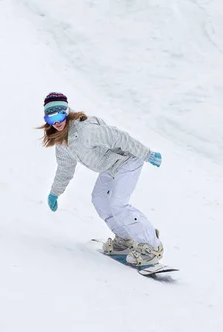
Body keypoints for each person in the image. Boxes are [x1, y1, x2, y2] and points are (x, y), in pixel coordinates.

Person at [39, 92, 164, 266]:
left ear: (67, 112)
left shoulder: (87, 131)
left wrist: (147, 154)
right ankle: (125, 239)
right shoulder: (62, 142)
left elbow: (120, 137)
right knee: (99, 199)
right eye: (51, 118)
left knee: (118, 204)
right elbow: (65, 169)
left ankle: (151, 246)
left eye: (60, 114)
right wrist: (55, 193)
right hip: (110, 166)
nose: (57, 122)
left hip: (127, 160)